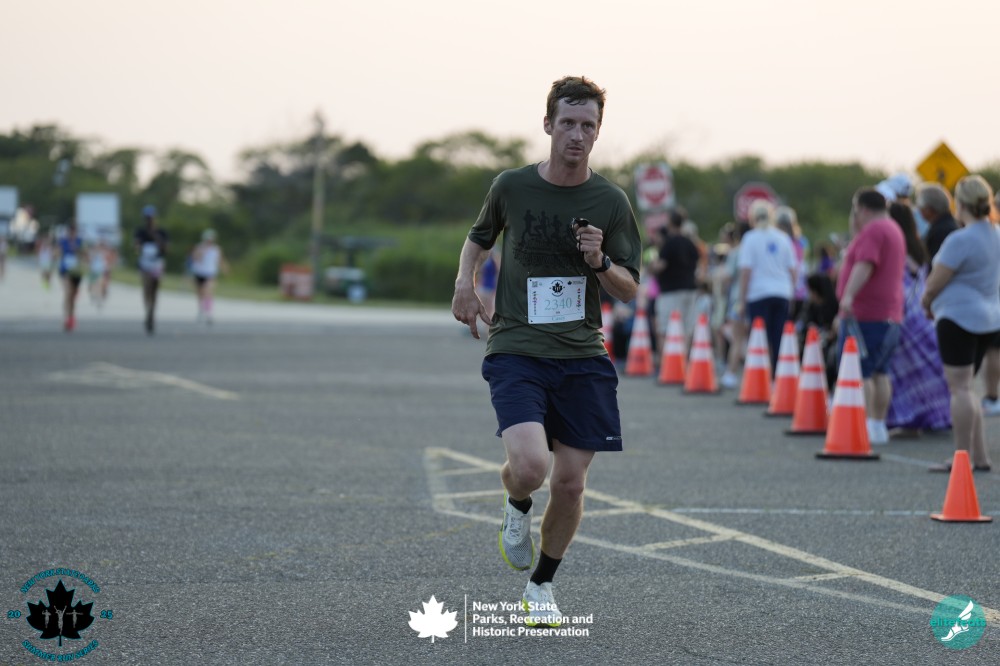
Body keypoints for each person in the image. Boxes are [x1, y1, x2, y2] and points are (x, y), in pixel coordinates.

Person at [451, 76, 641, 628]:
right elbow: (479, 237)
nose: (577, 135)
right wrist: (465, 282)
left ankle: (541, 586)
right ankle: (516, 503)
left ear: (598, 132)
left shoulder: (611, 201)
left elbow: (630, 288)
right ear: (548, 125)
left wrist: (601, 262)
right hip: (518, 347)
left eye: (588, 126)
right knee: (531, 467)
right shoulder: (512, 186)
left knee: (571, 482)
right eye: (568, 123)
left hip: (583, 355)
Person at [920, 175, 999, 472]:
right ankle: (980, 456)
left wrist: (926, 303)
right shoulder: (996, 234)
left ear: (960, 204)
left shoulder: (960, 239)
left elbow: (935, 281)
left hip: (958, 318)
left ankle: (961, 457)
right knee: (969, 388)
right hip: (989, 318)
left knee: (960, 390)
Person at [836, 188, 906, 445]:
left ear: (863, 209)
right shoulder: (893, 229)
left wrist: (848, 296)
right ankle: (877, 425)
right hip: (890, 313)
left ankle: (862, 424)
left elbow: (865, 263)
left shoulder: (874, 231)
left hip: (866, 314)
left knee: (861, 371)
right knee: (880, 372)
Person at [884, 203, 951, 437]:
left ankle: (907, 420)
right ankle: (931, 417)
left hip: (902, 315)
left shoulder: (894, 247)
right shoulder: (917, 247)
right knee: (924, 372)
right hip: (921, 316)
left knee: (902, 373)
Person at [737, 199, 797, 373]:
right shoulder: (783, 238)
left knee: (759, 339)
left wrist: (741, 300)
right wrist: (791, 293)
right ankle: (780, 376)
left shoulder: (750, 238)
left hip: (758, 293)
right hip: (781, 292)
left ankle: (760, 376)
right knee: (779, 337)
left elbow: (745, 272)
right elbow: (793, 270)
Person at [650, 210, 700, 354]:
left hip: (670, 292)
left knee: (665, 329)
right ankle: (683, 361)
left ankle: (667, 362)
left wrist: (651, 266)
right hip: (690, 289)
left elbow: (660, 266)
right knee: (686, 328)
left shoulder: (669, 243)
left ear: (670, 223)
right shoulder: (690, 243)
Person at [134, 205, 168, 334]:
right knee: (146, 287)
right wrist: (138, 246)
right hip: (145, 263)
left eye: (151, 218)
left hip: (157, 263)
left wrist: (155, 236)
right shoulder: (140, 232)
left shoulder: (162, 232)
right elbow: (137, 246)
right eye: (147, 218)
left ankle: (152, 312)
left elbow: (166, 248)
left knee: (155, 289)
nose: (149, 220)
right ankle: (148, 311)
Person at [190, 229, 228, 324]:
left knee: (208, 292)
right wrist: (201, 252)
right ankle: (200, 310)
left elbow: (220, 260)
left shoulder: (216, 249)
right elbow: (195, 258)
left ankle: (209, 313)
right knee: (200, 293)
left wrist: (224, 268)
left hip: (210, 274)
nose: (209, 241)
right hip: (199, 273)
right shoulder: (199, 247)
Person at [916, 182, 958, 262]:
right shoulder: (954, 223)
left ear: (928, 209)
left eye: (920, 207)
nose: (919, 210)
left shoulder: (938, 232)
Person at [56, 221, 86, 332]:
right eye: (71, 231)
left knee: (72, 297)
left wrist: (79, 252)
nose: (72, 233)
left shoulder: (80, 241)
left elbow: (84, 255)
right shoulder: (63, 241)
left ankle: (71, 317)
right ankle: (66, 317)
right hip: (65, 270)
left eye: (74, 231)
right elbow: (57, 253)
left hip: (76, 272)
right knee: (67, 293)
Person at [87, 238, 115, 308]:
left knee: (102, 285)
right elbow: (90, 260)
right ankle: (95, 296)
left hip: (103, 270)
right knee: (94, 285)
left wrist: (109, 267)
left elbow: (110, 261)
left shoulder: (107, 252)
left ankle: (100, 298)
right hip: (95, 270)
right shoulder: (94, 252)